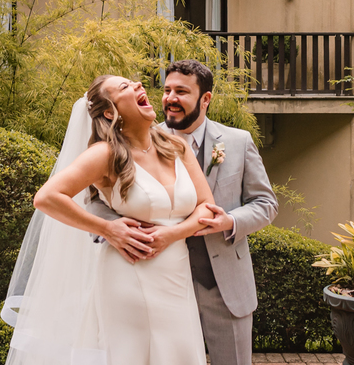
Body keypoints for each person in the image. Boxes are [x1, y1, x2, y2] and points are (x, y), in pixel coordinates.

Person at [4, 75, 215, 365]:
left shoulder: (176, 146)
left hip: (176, 276)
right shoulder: (105, 154)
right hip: (129, 274)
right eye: (125, 87)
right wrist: (107, 228)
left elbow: (207, 208)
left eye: (135, 83)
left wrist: (173, 234)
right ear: (109, 112)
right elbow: (47, 197)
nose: (138, 85)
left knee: (180, 353)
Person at [90, 60, 278, 365]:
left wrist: (230, 221)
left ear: (205, 99)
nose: (170, 99)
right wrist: (116, 230)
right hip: (155, 283)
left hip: (222, 287)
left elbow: (266, 203)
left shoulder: (238, 142)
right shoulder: (135, 139)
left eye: (181, 91)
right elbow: (98, 199)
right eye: (166, 90)